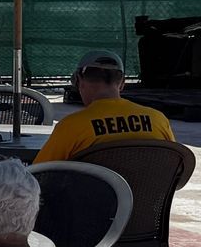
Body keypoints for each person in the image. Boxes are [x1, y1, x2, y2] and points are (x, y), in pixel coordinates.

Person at [35, 48, 175, 163]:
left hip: (90, 197)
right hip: (149, 197)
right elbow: (177, 169)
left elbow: (39, 174)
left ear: (78, 80)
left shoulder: (72, 126)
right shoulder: (158, 120)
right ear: (122, 83)